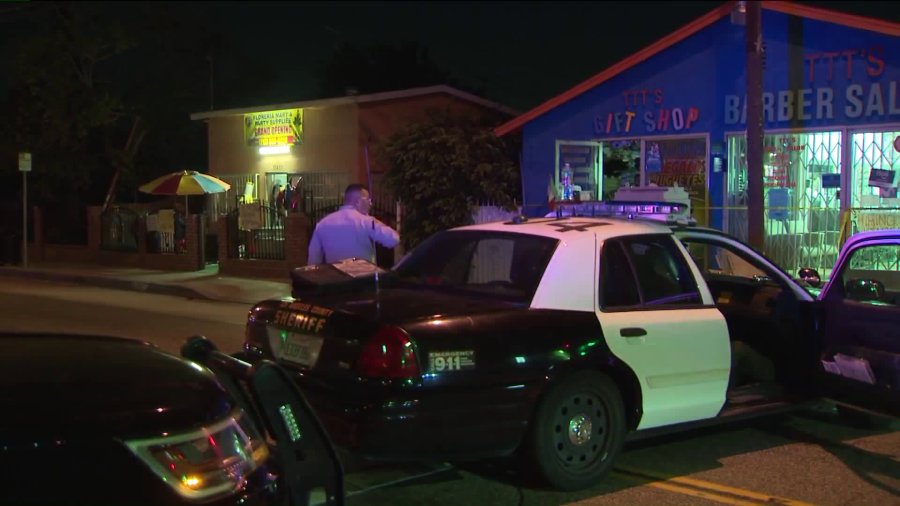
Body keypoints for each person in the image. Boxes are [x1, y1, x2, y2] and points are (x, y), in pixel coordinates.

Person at [307, 184, 399, 265]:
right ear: (358, 202)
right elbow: (393, 239)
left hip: (335, 280)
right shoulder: (365, 221)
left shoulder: (322, 224)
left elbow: (313, 259)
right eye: (368, 200)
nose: (370, 204)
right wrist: (375, 221)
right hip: (363, 280)